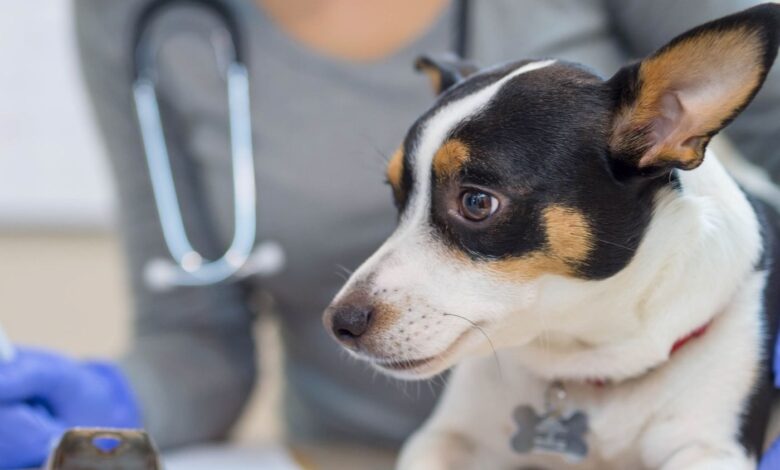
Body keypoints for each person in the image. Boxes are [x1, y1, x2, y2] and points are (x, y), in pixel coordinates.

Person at [2, 0, 780, 468]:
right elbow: (192, 331)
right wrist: (107, 400)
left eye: (474, 204)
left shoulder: (720, 299)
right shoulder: (132, 16)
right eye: (404, 204)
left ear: (671, 118)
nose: (355, 303)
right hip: (332, 450)